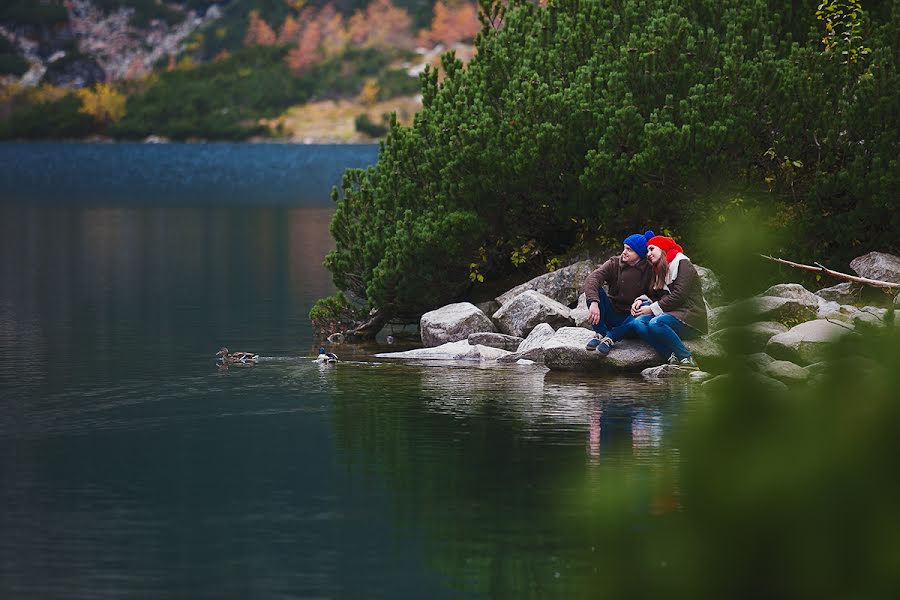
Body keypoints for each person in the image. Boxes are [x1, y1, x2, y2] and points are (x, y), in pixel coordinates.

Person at [629, 235, 708, 368]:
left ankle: (686, 358)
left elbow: (679, 295)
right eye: (647, 251)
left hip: (691, 317)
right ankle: (671, 357)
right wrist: (641, 301)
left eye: (651, 249)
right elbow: (656, 297)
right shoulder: (660, 269)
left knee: (656, 323)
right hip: (672, 315)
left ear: (662, 248)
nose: (648, 254)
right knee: (638, 322)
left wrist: (651, 308)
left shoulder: (683, 263)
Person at [583, 230, 655, 354]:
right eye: (624, 248)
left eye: (629, 250)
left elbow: (657, 295)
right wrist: (594, 302)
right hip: (612, 313)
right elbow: (593, 278)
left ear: (639, 253)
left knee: (645, 308)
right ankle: (600, 333)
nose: (624, 252)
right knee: (596, 292)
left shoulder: (650, 269)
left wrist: (642, 301)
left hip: (632, 319)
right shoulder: (614, 263)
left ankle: (611, 338)